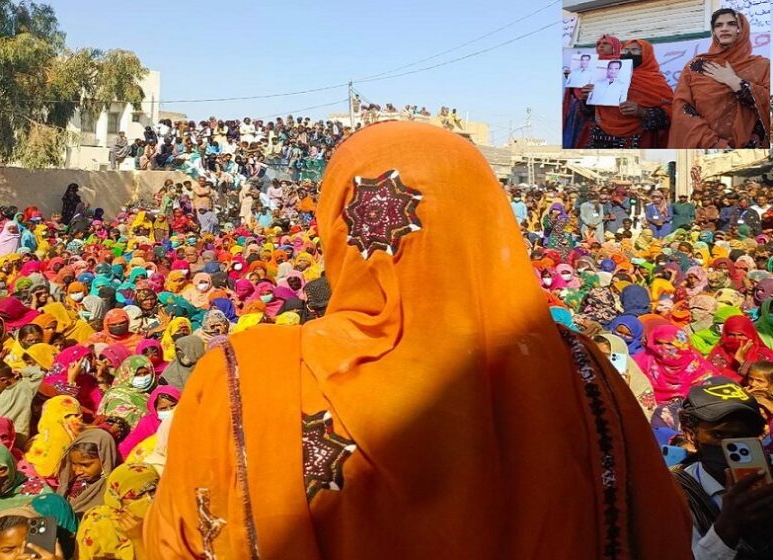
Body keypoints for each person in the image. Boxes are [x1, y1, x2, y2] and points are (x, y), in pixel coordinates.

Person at [146, 121, 690, 558]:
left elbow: (176, 540)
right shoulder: (578, 375)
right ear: (486, 217)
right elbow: (658, 536)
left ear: (335, 224)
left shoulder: (248, 375)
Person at [673, 378, 773, 557]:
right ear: (690, 434)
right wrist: (728, 526)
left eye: (742, 435)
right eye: (719, 434)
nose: (730, 444)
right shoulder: (673, 492)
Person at [669, 9, 770, 148]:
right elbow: (683, 109)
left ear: (742, 29)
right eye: (718, 25)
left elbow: (768, 104)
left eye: (731, 24)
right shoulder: (695, 67)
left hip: (752, 150)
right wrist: (714, 144)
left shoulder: (762, 66)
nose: (724, 28)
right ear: (714, 31)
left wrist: (734, 82)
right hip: (707, 148)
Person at [76, 463, 159, 560]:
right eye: (137, 496)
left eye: (153, 491)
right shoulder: (99, 524)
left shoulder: (168, 520)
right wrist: (137, 540)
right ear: (117, 500)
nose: (149, 500)